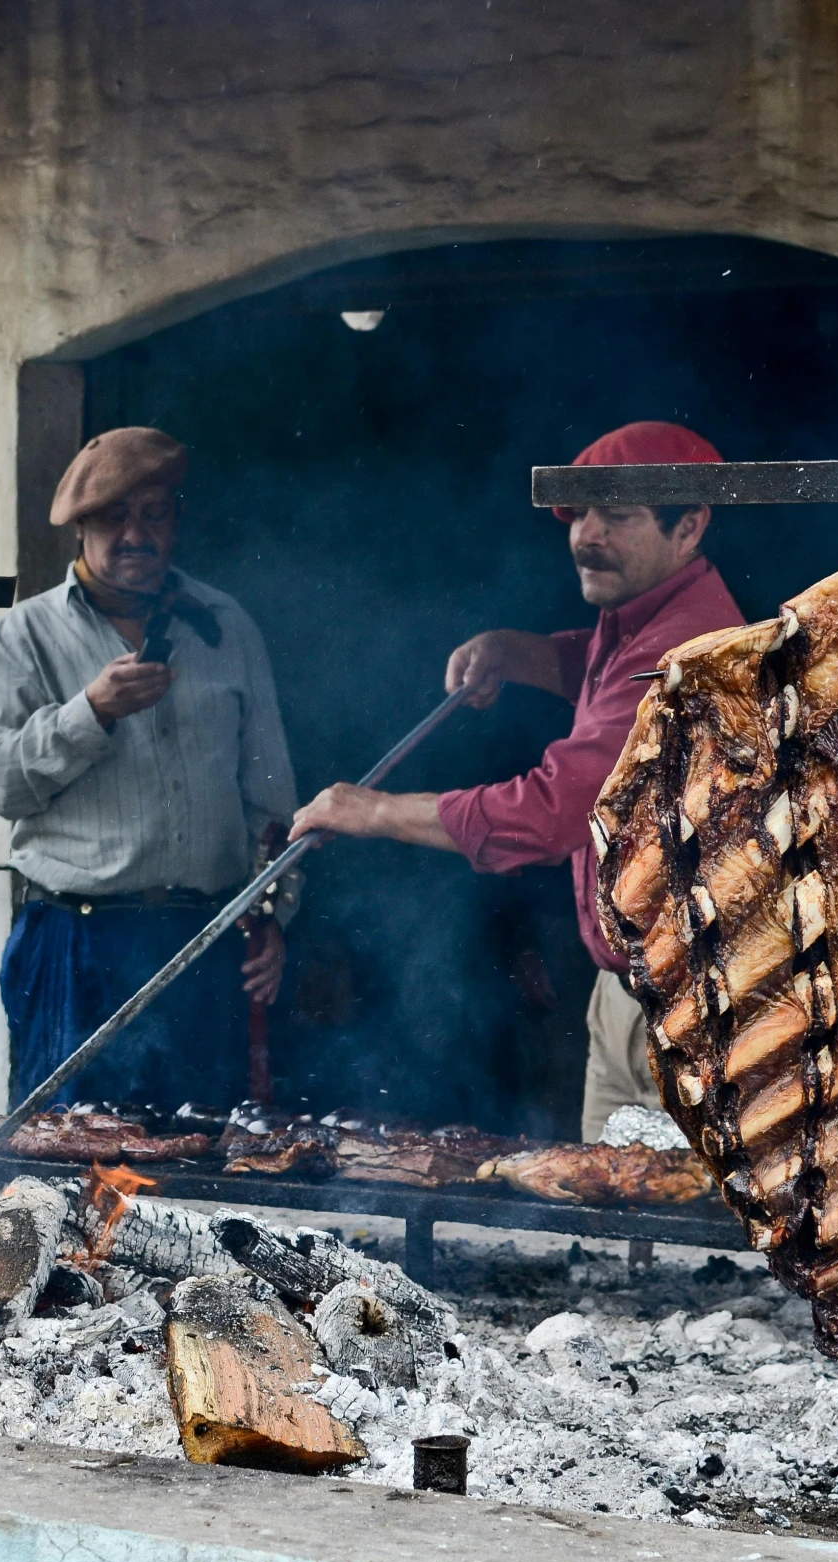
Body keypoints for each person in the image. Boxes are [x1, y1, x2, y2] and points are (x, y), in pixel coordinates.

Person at [289, 421, 744, 1138]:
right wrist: (516, 654)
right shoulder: (638, 621)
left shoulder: (682, 648)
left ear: (688, 526)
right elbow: (602, 677)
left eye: (616, 517)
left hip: (687, 1012)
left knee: (677, 1233)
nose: (585, 535)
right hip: (627, 996)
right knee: (611, 1230)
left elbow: (555, 811)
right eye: (578, 513)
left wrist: (370, 811)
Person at [0, 426, 296, 1111]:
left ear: (176, 521)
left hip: (203, 943)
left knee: (198, 1170)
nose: (135, 534)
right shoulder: (25, 635)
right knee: (62, 1174)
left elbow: (271, 803)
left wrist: (272, 912)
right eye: (115, 517)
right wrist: (88, 711)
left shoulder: (227, 625)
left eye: (154, 514)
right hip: (76, 946)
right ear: (81, 529)